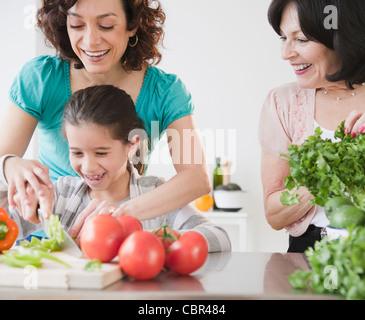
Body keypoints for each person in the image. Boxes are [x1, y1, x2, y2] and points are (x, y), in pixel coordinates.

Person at [0, 0, 210, 226]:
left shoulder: (165, 92)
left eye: (107, 25)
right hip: (46, 233)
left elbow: (196, 178)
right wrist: (9, 164)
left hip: (112, 234)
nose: (90, 41)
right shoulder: (41, 78)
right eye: (77, 25)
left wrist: (118, 212)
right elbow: (3, 158)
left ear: (133, 25)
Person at [1, 85, 231, 252]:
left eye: (101, 153)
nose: (88, 166)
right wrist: (9, 166)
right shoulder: (60, 194)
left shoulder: (156, 194)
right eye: (77, 153)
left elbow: (219, 238)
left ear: (132, 146)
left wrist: (141, 240)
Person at [259, 0, 365, 252]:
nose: (286, 53)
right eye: (283, 37)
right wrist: (325, 176)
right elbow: (274, 215)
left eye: (302, 39)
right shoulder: (282, 103)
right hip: (310, 252)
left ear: (342, 37)